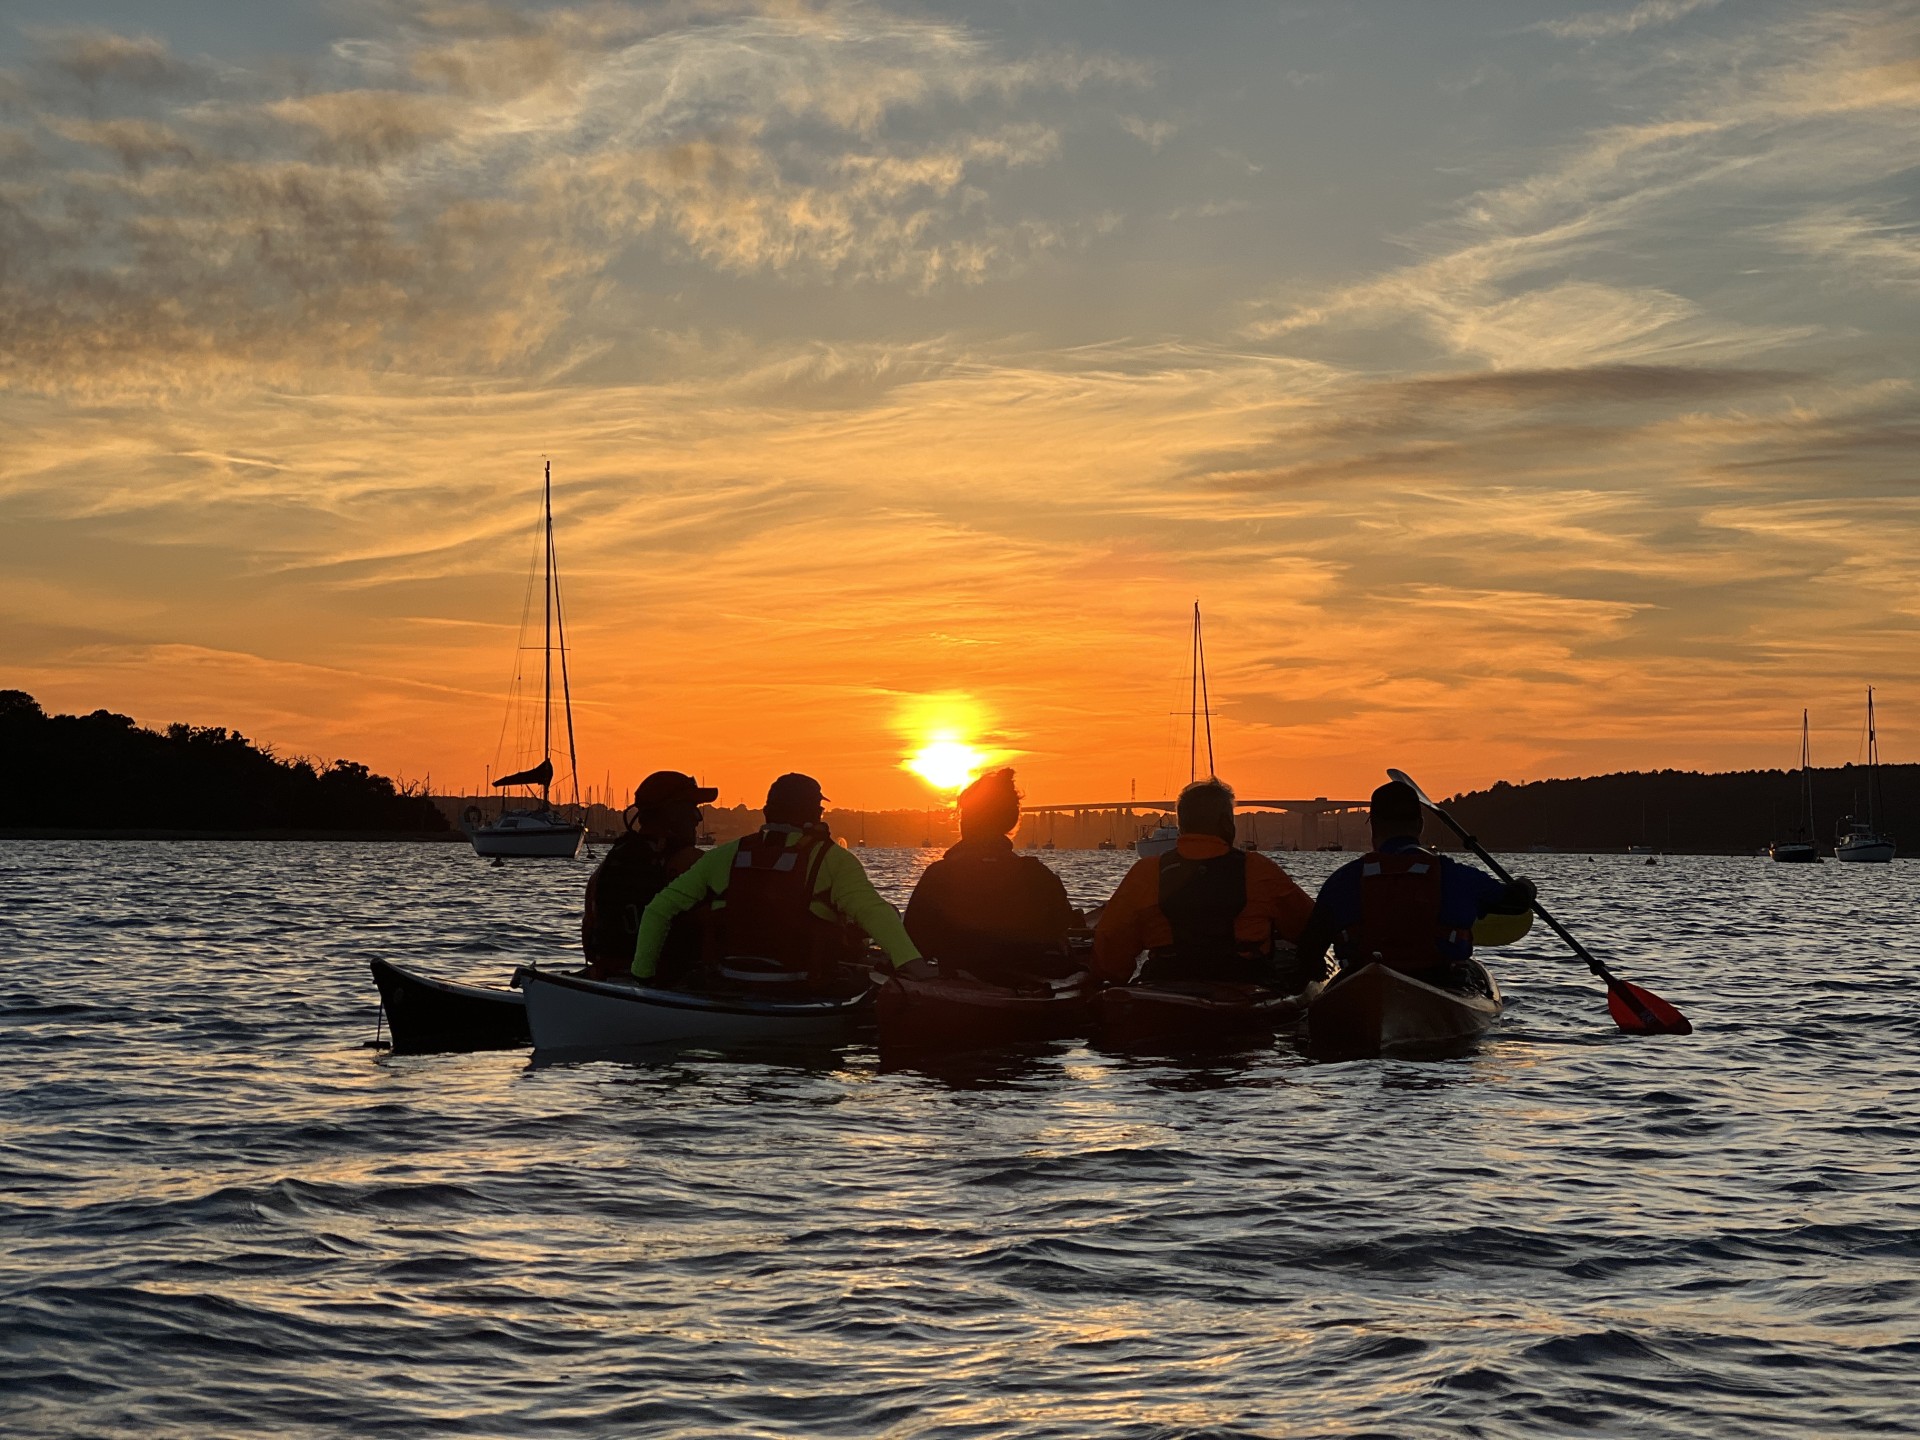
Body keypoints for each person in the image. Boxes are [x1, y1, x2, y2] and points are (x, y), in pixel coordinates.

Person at [633, 772, 919, 987]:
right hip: (802, 985)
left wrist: (642, 977)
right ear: (813, 813)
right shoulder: (832, 859)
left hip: (729, 978)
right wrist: (912, 964)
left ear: (768, 812)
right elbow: (874, 912)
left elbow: (658, 911)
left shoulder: (725, 854)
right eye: (820, 809)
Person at [1297, 780, 1536, 989]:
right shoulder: (1457, 876)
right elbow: (1515, 904)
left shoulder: (1341, 881)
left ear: (1374, 825)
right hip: (1440, 984)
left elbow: (1308, 955)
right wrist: (1526, 887)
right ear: (1420, 825)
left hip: (1363, 985)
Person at [1093, 778, 1315, 988]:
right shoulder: (1259, 869)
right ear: (1226, 823)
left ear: (1182, 825)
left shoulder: (1146, 872)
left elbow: (1111, 943)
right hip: (1244, 985)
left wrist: (1115, 979)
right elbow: (1308, 927)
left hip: (1166, 985)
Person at [903, 768, 1078, 982]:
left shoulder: (940, 876)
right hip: (1029, 982)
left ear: (965, 820)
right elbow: (1059, 925)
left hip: (962, 984)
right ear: (1011, 821)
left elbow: (915, 942)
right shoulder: (1038, 875)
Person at [580, 770, 715, 980]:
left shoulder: (605, 868)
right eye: (692, 808)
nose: (698, 818)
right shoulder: (691, 863)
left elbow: (590, 936)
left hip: (609, 979)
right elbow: (717, 931)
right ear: (671, 813)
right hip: (672, 983)